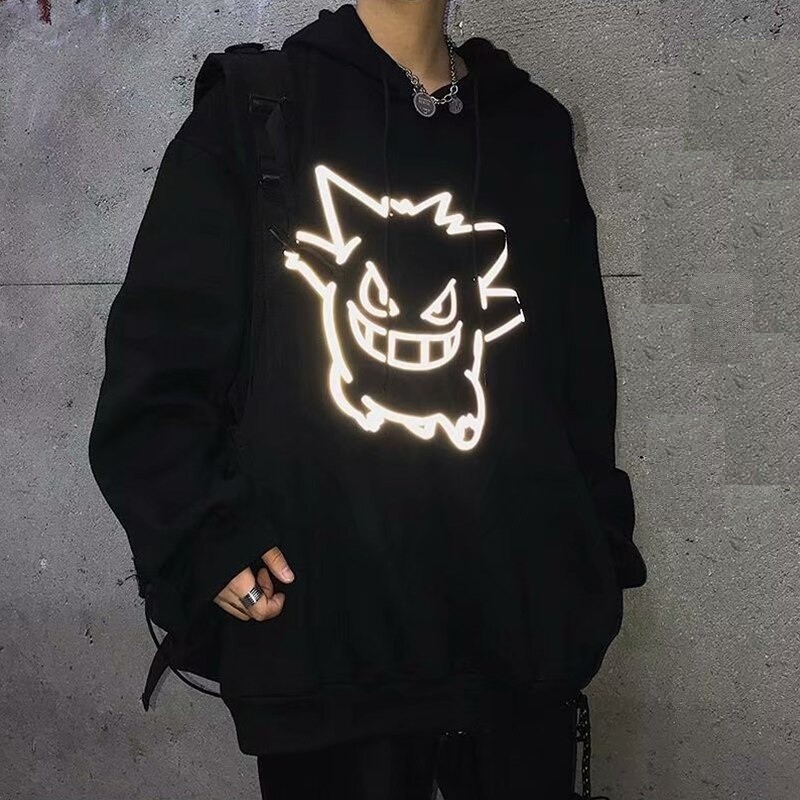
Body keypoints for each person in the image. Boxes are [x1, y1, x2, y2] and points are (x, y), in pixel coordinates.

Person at [87, 1, 648, 798]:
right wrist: (203, 540)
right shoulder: (257, 110)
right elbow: (154, 375)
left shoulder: (531, 132)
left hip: (518, 669)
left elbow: (578, 386)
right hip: (331, 670)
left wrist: (592, 565)